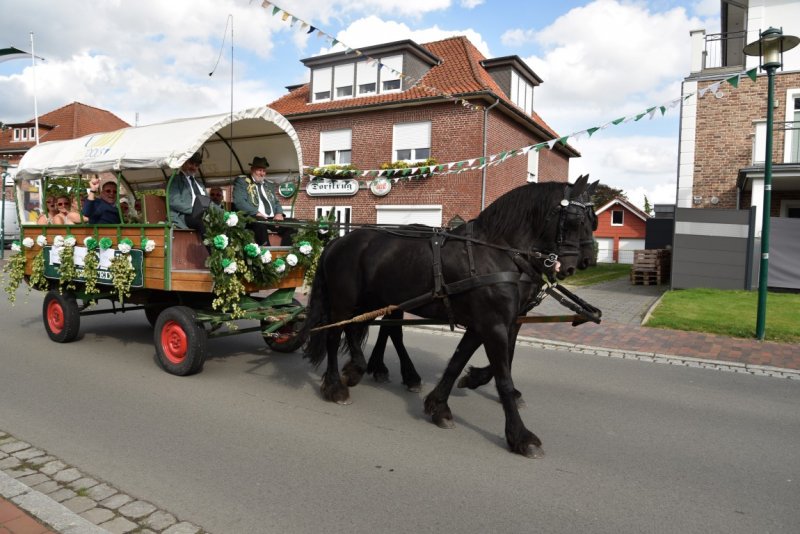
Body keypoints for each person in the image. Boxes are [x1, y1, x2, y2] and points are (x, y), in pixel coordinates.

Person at [232, 156, 286, 245]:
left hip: (271, 219)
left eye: (264, 171)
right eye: (259, 170)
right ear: (252, 170)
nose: (262, 173)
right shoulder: (242, 181)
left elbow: (276, 202)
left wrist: (279, 213)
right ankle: (266, 254)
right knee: (260, 224)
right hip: (253, 218)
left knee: (293, 224)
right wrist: (256, 213)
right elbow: (239, 202)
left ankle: (286, 253)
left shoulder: (269, 185)